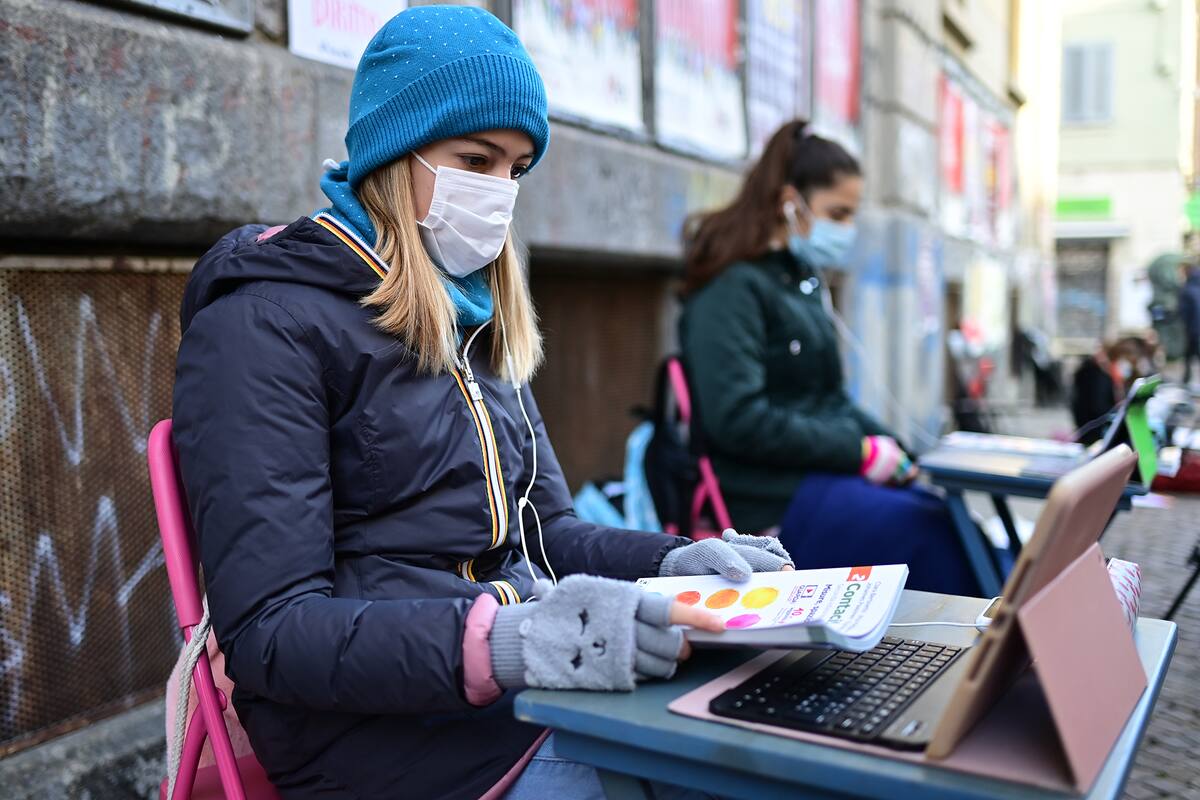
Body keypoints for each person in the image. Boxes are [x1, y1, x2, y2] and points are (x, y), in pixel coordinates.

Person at [171, 7, 794, 799]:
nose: (499, 193)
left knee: (754, 735)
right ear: (397, 152)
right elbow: (273, 631)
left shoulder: (472, 313)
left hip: (508, 696)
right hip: (369, 739)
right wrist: (515, 639)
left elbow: (549, 530)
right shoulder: (263, 322)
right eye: (476, 158)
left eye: (516, 169)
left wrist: (674, 563)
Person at [678, 120, 980, 598]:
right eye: (837, 213)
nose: (846, 229)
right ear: (789, 202)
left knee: (940, 511)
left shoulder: (801, 283)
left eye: (851, 215)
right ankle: (974, 657)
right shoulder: (732, 290)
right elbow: (736, 419)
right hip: (764, 497)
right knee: (930, 533)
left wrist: (896, 448)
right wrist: (857, 452)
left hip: (814, 477)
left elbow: (830, 399)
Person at [1179, 264, 1200, 385]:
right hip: (1195, 327)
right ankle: (1186, 378)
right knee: (1190, 354)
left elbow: (1184, 311)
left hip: (1192, 328)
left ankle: (1186, 378)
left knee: (1191, 353)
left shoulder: (1187, 289)